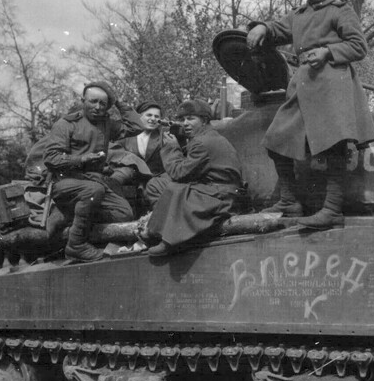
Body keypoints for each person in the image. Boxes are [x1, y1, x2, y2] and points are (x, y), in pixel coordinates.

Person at [246, 0, 374, 230]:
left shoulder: (340, 11)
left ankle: (331, 209)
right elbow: (278, 29)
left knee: (334, 146)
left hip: (332, 84)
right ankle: (289, 200)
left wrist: (329, 51)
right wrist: (261, 27)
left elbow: (358, 46)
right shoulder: (299, 15)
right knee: (276, 139)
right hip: (303, 84)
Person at [41, 82, 143, 262]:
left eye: (103, 104)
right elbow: (51, 158)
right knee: (93, 191)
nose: (98, 107)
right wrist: (82, 159)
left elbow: (137, 126)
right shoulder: (66, 124)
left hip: (95, 181)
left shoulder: (106, 124)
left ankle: (70, 214)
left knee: (123, 214)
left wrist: (117, 101)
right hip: (65, 181)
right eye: (93, 101)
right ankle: (76, 245)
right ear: (83, 101)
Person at [144, 100, 243, 258]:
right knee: (156, 185)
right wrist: (181, 141)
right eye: (182, 119)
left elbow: (179, 173)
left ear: (204, 120)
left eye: (191, 118)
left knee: (174, 188)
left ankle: (172, 240)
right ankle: (160, 229)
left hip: (220, 196)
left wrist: (171, 147)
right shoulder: (207, 135)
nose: (185, 124)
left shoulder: (202, 142)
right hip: (214, 188)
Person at [118, 101, 167, 209]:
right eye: (149, 115)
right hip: (132, 182)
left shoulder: (164, 136)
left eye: (156, 116)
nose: (153, 119)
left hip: (155, 183)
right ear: (139, 116)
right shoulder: (126, 136)